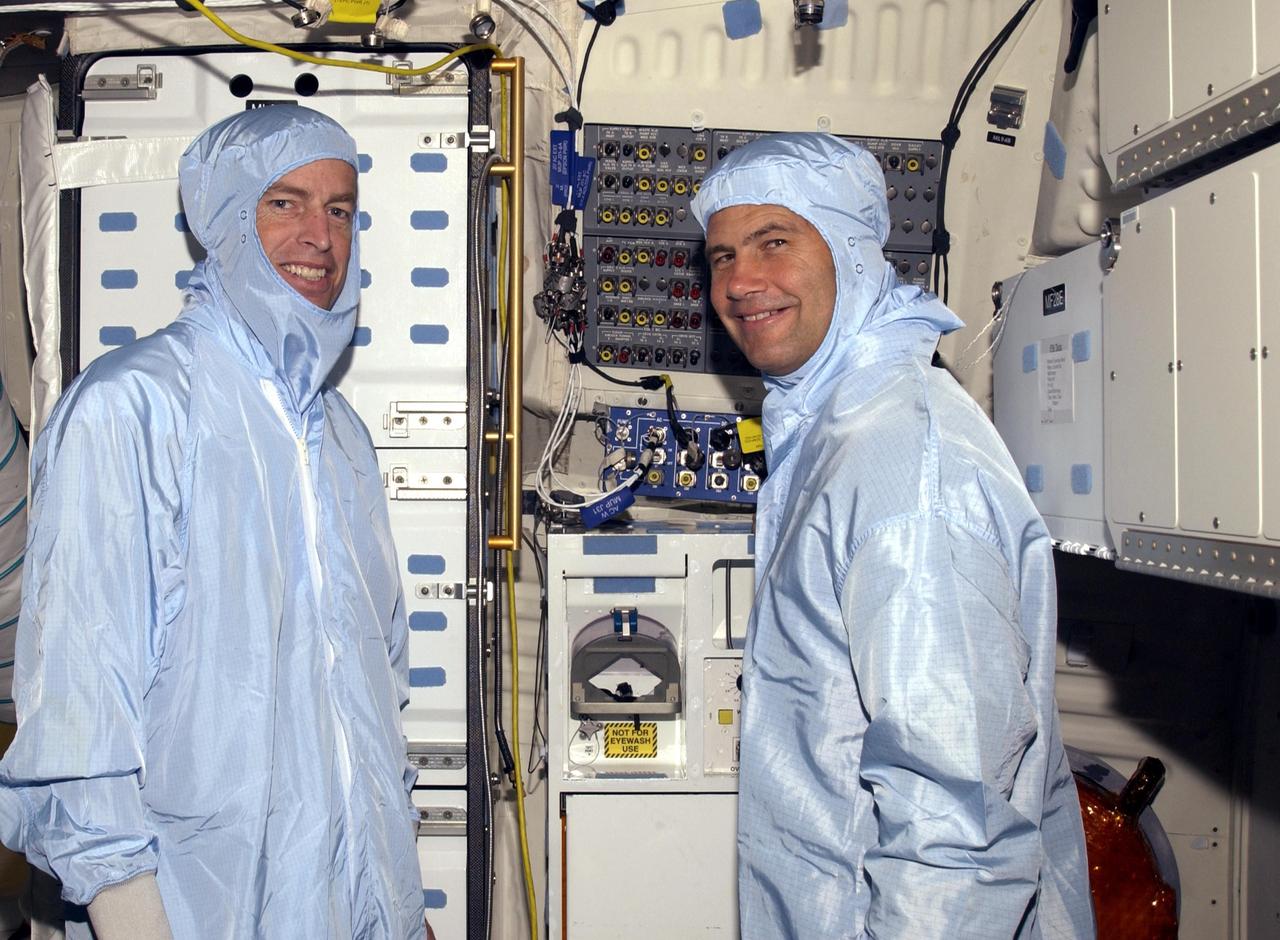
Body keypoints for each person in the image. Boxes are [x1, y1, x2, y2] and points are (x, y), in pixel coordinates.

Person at [0, 106, 425, 939]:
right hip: (191, 914)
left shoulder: (339, 437)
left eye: (339, 209)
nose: (320, 236)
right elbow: (81, 708)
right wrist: (132, 921)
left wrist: (399, 910)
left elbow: (373, 706)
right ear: (226, 218)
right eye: (284, 203)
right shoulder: (133, 407)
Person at [692, 133, 1096, 939]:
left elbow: (956, 833)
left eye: (776, 241)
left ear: (849, 247)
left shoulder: (905, 467)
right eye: (722, 256)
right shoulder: (836, 432)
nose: (740, 282)